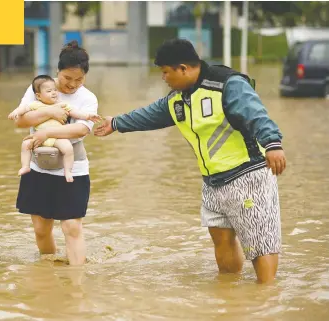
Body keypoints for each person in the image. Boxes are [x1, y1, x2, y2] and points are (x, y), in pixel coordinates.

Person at [94, 39, 287, 284]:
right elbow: (150, 115)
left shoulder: (227, 84)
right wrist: (115, 123)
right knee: (222, 242)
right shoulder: (177, 100)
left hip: (248, 175)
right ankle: (230, 297)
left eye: (165, 72)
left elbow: (255, 113)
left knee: (261, 244)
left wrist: (273, 144)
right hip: (212, 183)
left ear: (183, 68)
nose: (163, 78)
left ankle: (266, 298)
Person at [10, 40, 98, 266]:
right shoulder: (38, 88)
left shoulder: (87, 98)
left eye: (79, 79)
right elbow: (21, 121)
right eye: (67, 78)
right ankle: (48, 271)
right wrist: (50, 110)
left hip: (73, 166)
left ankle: (77, 281)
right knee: (41, 228)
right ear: (58, 71)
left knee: (72, 226)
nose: (72, 85)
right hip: (38, 164)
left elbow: (81, 129)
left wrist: (47, 131)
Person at [8, 74, 101, 182]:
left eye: (55, 90)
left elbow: (76, 113)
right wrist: (15, 112)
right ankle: (25, 166)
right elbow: (23, 109)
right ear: (38, 96)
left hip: (57, 137)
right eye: (48, 91)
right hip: (38, 137)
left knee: (68, 148)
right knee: (25, 145)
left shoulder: (62, 104)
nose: (53, 93)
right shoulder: (36, 104)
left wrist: (88, 116)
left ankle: (68, 171)